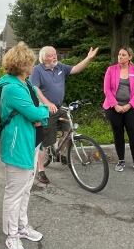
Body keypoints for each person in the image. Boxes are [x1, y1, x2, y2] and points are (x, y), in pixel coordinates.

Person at [0, 42, 50, 249]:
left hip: (29, 142)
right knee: (14, 192)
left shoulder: (23, 83)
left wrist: (37, 113)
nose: (33, 66)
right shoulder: (12, 88)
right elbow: (35, 113)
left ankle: (22, 226)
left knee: (26, 188)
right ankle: (12, 235)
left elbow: (33, 113)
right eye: (31, 63)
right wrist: (44, 110)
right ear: (23, 64)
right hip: (18, 145)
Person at [31, 45, 98, 184]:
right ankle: (41, 170)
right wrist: (47, 103)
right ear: (43, 58)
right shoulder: (37, 70)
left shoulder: (60, 67)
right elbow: (35, 88)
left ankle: (59, 153)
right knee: (44, 142)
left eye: (55, 54)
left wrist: (88, 58)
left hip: (59, 107)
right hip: (46, 109)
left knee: (69, 130)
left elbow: (75, 69)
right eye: (51, 55)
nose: (54, 57)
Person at [102, 47, 134, 173]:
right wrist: (115, 105)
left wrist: (129, 105)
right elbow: (107, 90)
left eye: (123, 55)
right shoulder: (111, 69)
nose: (120, 57)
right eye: (119, 54)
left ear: (130, 57)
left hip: (131, 107)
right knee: (118, 134)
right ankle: (121, 160)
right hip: (114, 107)